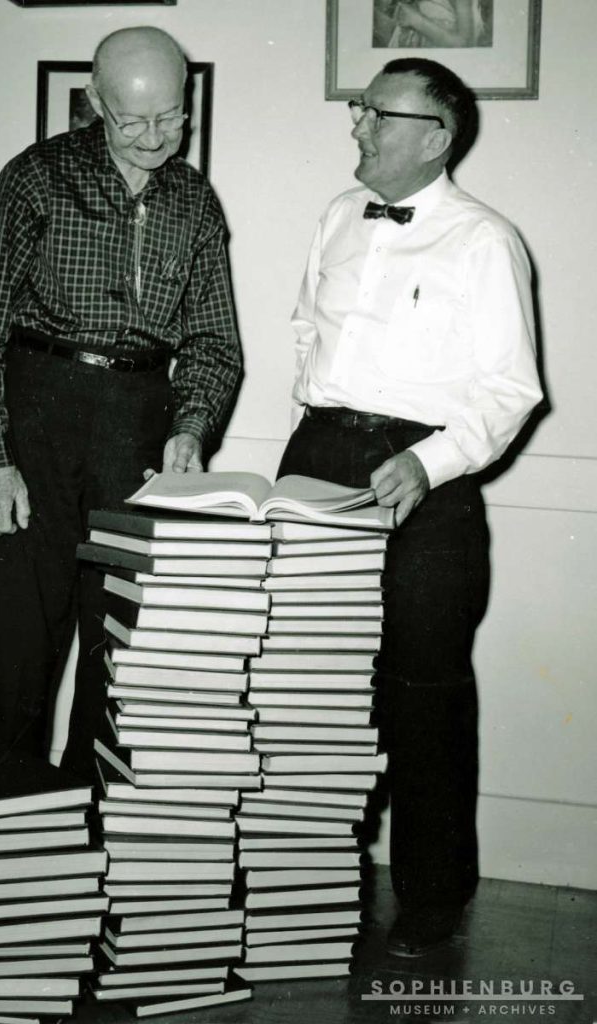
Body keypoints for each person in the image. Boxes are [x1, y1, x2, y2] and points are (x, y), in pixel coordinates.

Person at [279, 57, 541, 956]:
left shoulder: (483, 240)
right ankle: (306, 890)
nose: (355, 124)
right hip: (316, 459)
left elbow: (509, 392)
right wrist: (309, 448)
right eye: (358, 107)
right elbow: (307, 335)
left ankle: (431, 900)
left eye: (374, 113)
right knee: (306, 690)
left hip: (427, 479)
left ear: (435, 138)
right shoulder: (333, 216)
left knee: (422, 692)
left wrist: (426, 464)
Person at [0, 27, 242, 776]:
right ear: (93, 106)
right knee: (18, 643)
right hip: (37, 411)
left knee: (124, 642)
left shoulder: (195, 200)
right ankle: (6, 850)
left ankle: (95, 849)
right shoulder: (37, 177)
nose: (154, 138)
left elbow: (212, 340)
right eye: (132, 120)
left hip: (140, 420)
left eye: (171, 117)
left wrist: (192, 427)